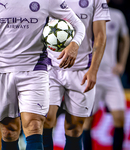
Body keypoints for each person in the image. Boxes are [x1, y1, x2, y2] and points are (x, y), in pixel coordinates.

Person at [0, 0, 86, 150]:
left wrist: (75, 44)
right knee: (9, 131)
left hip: (35, 70)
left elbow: (79, 26)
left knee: (34, 126)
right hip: (2, 71)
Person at [43, 0, 111, 149]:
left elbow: (100, 35)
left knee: (74, 127)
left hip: (82, 71)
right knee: (45, 119)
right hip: (51, 68)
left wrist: (93, 70)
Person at [82, 0, 130, 150]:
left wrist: (121, 63)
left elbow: (125, 39)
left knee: (120, 118)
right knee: (87, 121)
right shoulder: (83, 14)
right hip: (89, 74)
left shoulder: (117, 16)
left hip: (110, 75)